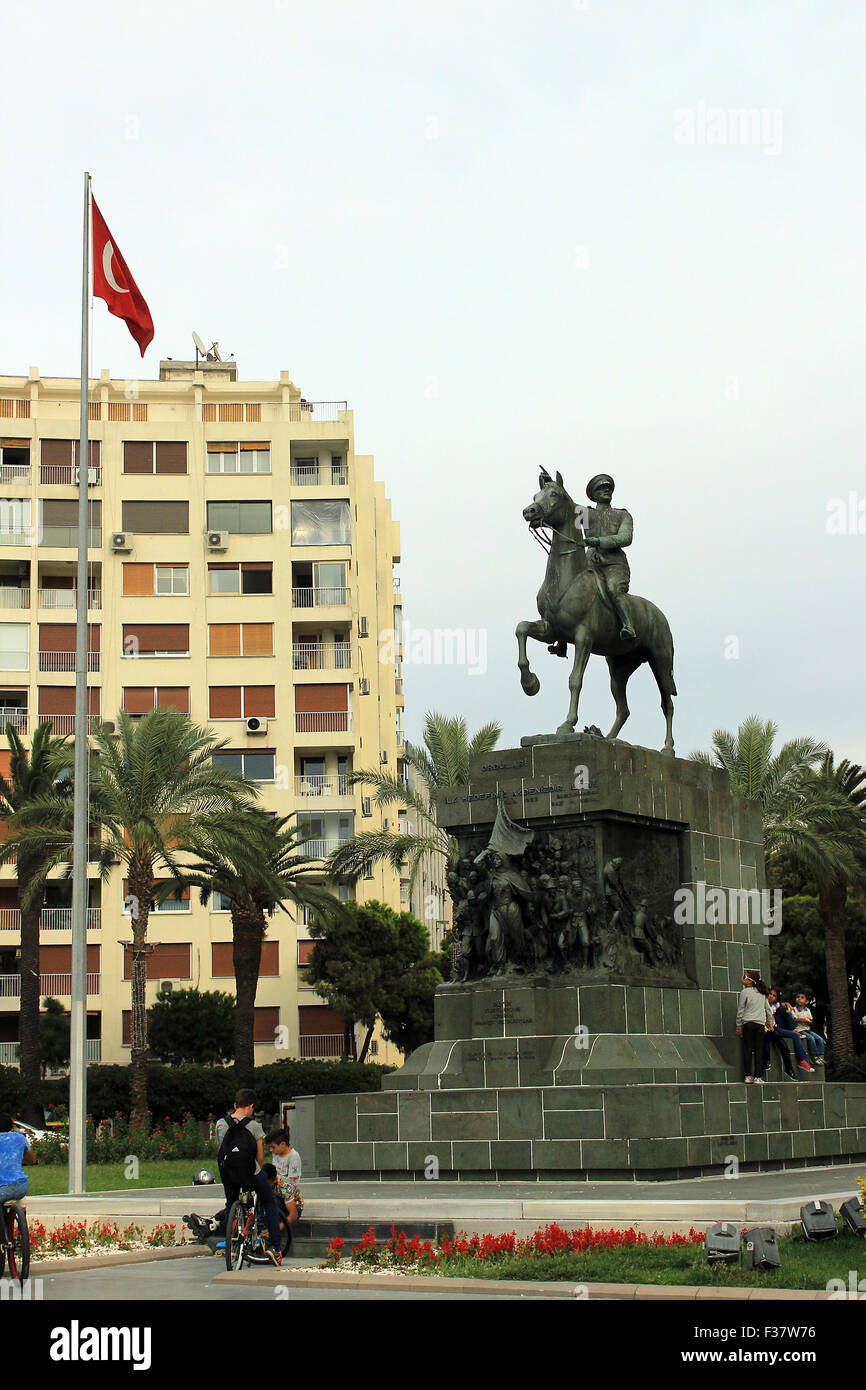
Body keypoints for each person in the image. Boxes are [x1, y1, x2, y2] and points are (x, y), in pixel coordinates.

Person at [215, 1088, 283, 1266]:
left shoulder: (220, 1124)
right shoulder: (254, 1126)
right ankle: (275, 1247)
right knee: (269, 1202)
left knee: (231, 1202)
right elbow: (259, 1157)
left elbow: (221, 1150)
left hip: (228, 1172)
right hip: (249, 1172)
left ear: (235, 1105)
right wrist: (257, 1174)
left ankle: (231, 1241)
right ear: (251, 1106)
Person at [582, 474, 636, 641]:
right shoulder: (583, 513)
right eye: (601, 488)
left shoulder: (622, 515)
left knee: (613, 589)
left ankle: (628, 626)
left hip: (614, 564)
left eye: (608, 487)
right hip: (590, 563)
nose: (606, 489)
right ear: (593, 494)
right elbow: (565, 508)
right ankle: (561, 638)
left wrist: (598, 541)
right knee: (573, 591)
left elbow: (626, 538)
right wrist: (551, 486)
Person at [0, 1112, 37, 1246]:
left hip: (2, 1189)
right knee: (19, 1199)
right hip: (21, 1187)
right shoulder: (20, 1138)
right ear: (11, 1128)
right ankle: (22, 1232)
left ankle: (2, 1239)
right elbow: (31, 1159)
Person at [762, 990, 814, 1075]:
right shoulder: (762, 1004)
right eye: (770, 994)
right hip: (768, 1029)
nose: (771, 996)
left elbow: (782, 1006)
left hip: (776, 1027)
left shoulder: (776, 1005)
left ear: (776, 999)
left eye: (774, 995)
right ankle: (767, 1061)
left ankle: (800, 1061)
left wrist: (787, 1004)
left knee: (786, 1010)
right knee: (790, 1038)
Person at [735, 969, 773, 1083]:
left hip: (748, 1024)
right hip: (760, 1025)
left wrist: (738, 1026)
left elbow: (740, 1010)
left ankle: (747, 1076)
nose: (743, 978)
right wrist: (768, 1022)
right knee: (758, 1050)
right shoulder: (762, 993)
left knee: (747, 1049)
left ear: (749, 981)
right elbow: (768, 1010)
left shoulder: (745, 992)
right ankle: (758, 1076)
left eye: (745, 977)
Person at [261, 1161, 303, 1253]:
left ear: (273, 1180)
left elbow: (293, 1215)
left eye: (267, 1183)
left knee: (272, 1198)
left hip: (292, 1209)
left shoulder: (285, 1188)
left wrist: (276, 1228)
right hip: (278, 1206)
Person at [788, 992, 826, 1066]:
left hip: (807, 1029)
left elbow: (811, 1021)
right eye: (798, 997)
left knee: (820, 1039)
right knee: (811, 1039)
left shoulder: (807, 1010)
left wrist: (809, 1021)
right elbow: (794, 1018)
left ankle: (819, 1056)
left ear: (806, 1001)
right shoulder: (794, 1009)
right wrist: (803, 1019)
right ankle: (814, 1056)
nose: (799, 999)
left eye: (802, 997)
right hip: (799, 1030)